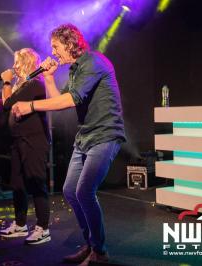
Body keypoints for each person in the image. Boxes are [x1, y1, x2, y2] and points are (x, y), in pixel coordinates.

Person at [11, 24, 126, 265]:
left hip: (105, 135)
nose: (53, 52)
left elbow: (71, 100)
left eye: (55, 47)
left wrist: (30, 106)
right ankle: (91, 244)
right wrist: (49, 77)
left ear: (70, 43)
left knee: (84, 191)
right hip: (85, 137)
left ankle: (100, 252)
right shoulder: (75, 69)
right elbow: (57, 101)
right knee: (69, 190)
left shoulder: (94, 62)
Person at [0, 48, 51, 245]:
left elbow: (7, 104)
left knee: (36, 182)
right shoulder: (23, 86)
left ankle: (43, 228)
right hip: (18, 141)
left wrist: (6, 82)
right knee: (18, 183)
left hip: (34, 140)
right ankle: (21, 224)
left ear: (26, 63)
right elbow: (8, 104)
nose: (13, 66)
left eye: (17, 62)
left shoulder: (35, 84)